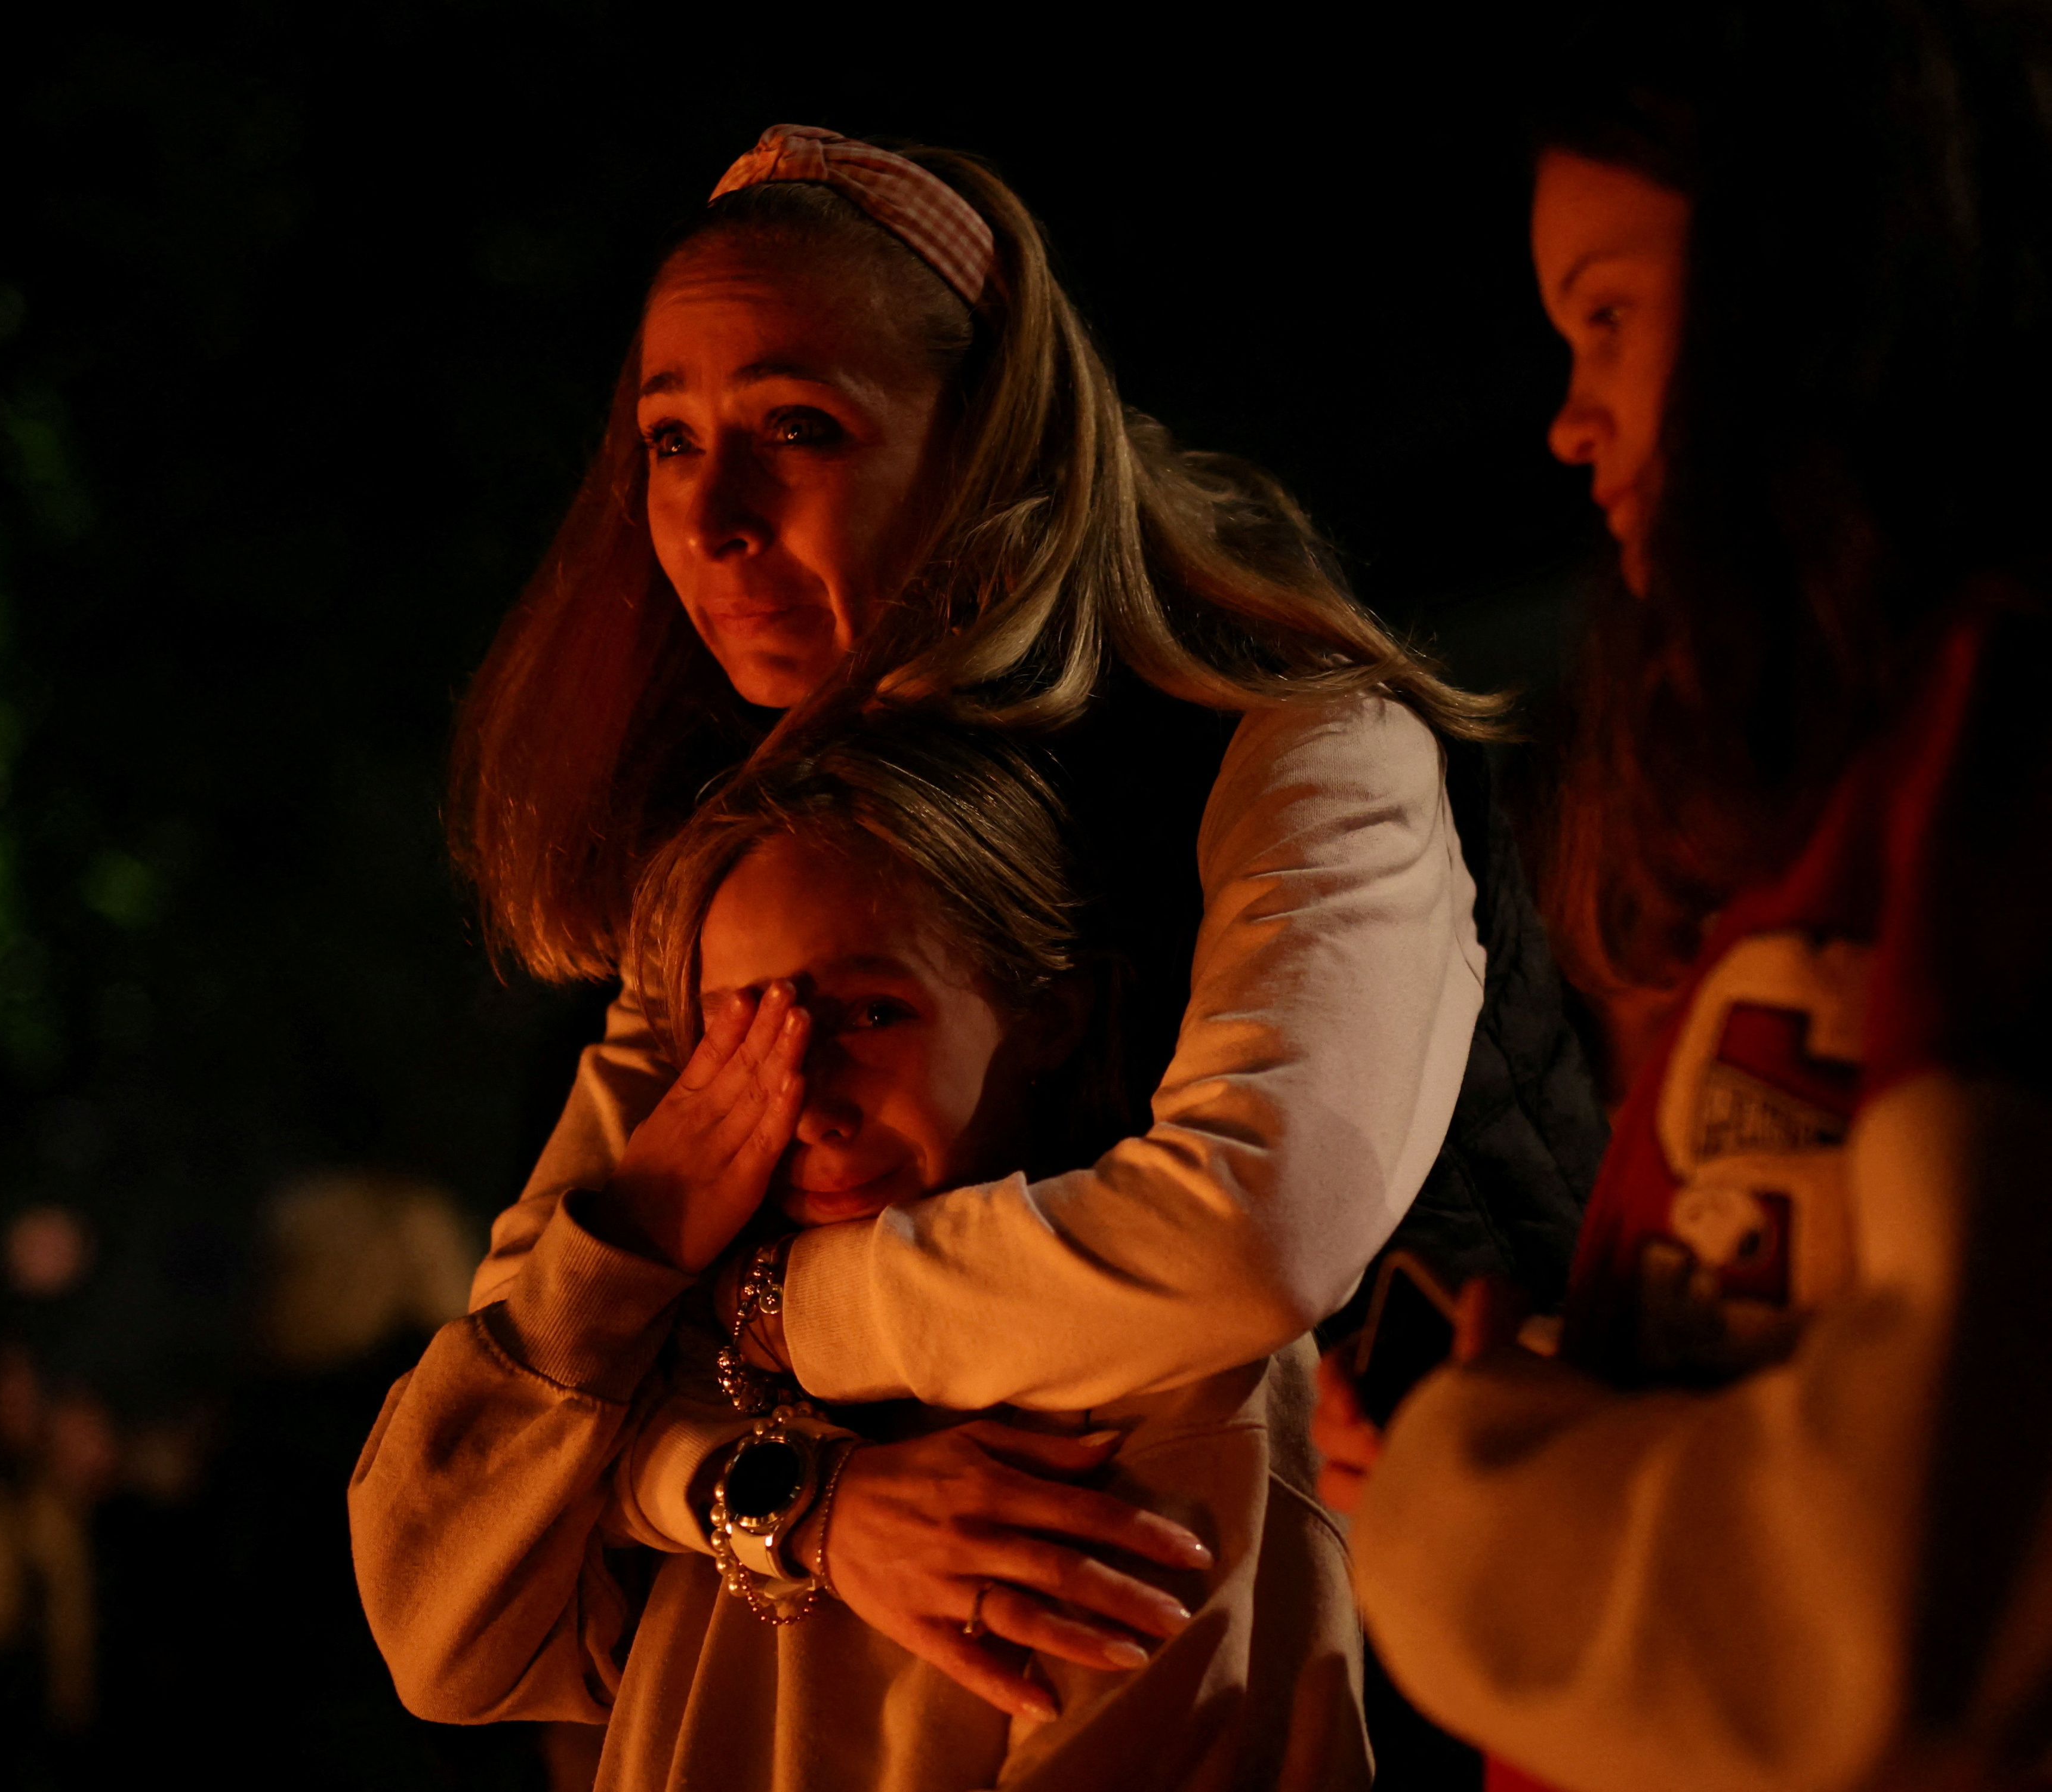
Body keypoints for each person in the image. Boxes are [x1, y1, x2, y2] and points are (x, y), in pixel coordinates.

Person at [442, 123, 1603, 1715]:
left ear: (997, 449)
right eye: (666, 438)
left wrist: (765, 1309)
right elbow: (487, 1452)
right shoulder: (740, 857)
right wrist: (794, 1507)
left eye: (798, 426)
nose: (712, 519)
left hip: (1366, 1680)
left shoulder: (1305, 752)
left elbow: (1244, 1236)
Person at [1315, 5, 2052, 1787]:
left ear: (1816, 294)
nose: (1572, 421)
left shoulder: (2001, 733)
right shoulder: (1847, 791)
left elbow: (1907, 1592)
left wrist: (1476, 1488)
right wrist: (1599, 1375)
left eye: (1615, 316)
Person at [357, 714, 1369, 1789]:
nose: (803, 1097)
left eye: (873, 1013)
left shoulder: (1185, 1373)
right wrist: (639, 1230)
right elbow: (436, 1641)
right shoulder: (685, 1357)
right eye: (737, 1036)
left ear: (1049, 1015)